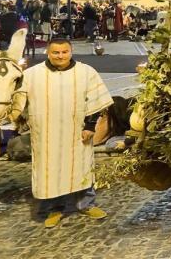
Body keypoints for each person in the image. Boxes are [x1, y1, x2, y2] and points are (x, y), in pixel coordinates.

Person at [19, 38, 113, 227]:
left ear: (71, 52)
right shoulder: (31, 75)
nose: (60, 56)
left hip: (76, 132)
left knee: (81, 166)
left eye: (64, 52)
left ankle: (85, 203)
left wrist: (90, 126)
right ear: (48, 52)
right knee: (50, 171)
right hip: (46, 134)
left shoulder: (86, 72)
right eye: (56, 52)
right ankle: (55, 208)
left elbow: (96, 102)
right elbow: (18, 103)